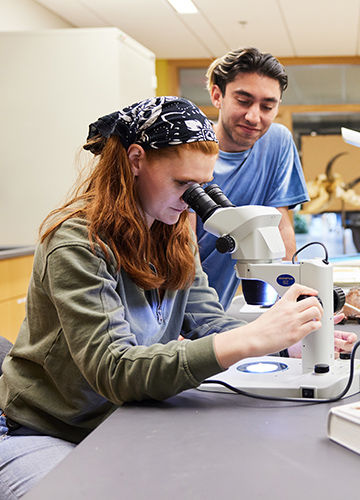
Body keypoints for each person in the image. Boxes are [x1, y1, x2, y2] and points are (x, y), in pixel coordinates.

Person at [0, 97, 354, 499]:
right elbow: (115, 370)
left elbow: (210, 322)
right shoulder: (77, 243)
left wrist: (281, 342)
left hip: (124, 419)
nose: (191, 200)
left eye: (200, 187)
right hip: (47, 430)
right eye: (182, 185)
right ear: (136, 159)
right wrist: (250, 339)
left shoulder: (174, 232)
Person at [193, 47, 310, 311]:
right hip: (178, 296)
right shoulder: (192, 149)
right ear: (217, 95)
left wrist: (289, 303)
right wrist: (201, 318)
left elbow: (280, 225)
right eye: (243, 101)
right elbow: (184, 245)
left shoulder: (277, 142)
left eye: (267, 106)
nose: (254, 117)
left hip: (222, 301)